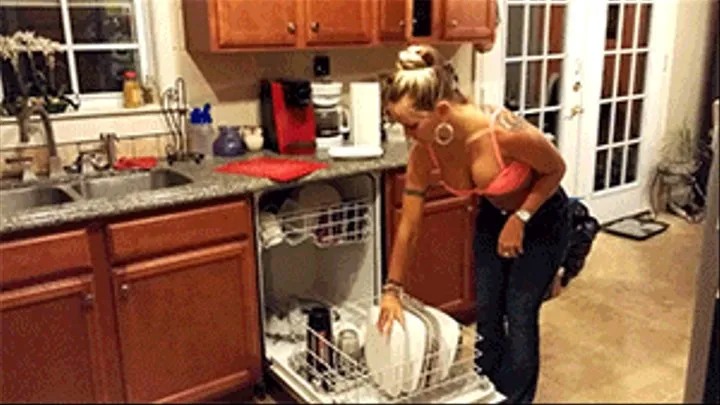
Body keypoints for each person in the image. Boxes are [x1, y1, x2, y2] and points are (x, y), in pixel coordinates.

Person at [376, 45, 570, 403]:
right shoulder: (426, 150)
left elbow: (556, 169)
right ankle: (487, 395)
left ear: (442, 111)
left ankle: (517, 401)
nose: (407, 135)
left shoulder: (505, 133)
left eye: (411, 125)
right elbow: (410, 225)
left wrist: (521, 217)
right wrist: (392, 289)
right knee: (488, 312)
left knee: (520, 314)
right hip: (492, 218)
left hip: (542, 217)